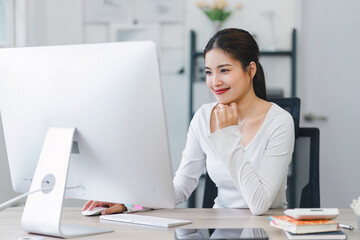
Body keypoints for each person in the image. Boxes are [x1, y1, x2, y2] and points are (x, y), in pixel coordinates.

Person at [82, 28, 294, 216]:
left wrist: (229, 135)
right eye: (209, 72)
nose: (215, 82)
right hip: (220, 227)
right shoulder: (203, 117)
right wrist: (129, 203)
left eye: (225, 70)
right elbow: (181, 187)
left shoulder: (279, 122)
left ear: (251, 70)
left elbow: (258, 206)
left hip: (267, 227)